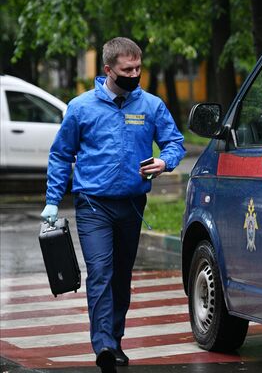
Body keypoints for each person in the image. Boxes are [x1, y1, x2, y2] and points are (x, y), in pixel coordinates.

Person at [40, 37, 185, 373]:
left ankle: (115, 340)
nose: (135, 74)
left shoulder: (150, 106)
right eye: (127, 69)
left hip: (132, 206)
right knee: (101, 272)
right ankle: (103, 344)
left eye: (138, 68)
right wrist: (51, 200)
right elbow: (61, 154)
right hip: (93, 205)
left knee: (120, 276)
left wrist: (166, 162)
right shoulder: (80, 108)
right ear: (108, 70)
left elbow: (174, 142)